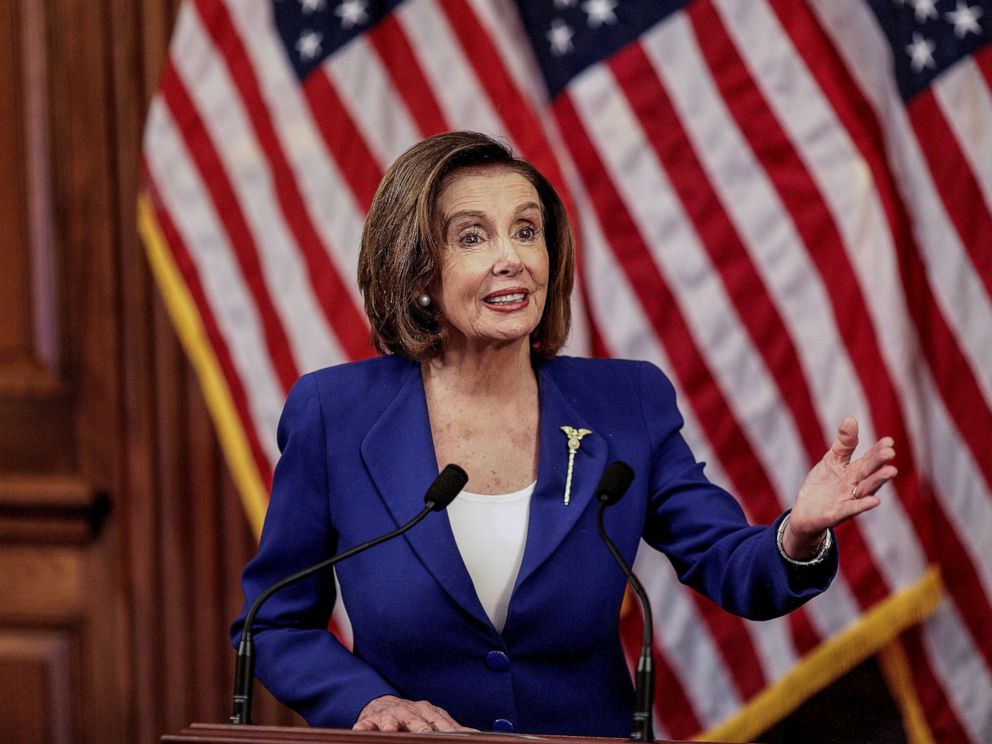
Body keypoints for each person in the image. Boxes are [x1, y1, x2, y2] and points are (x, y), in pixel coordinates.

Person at [232, 131, 897, 736]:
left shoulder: (624, 403)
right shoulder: (335, 414)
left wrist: (798, 535)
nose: (511, 258)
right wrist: (367, 704)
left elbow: (729, 564)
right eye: (472, 238)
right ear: (418, 273)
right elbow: (274, 622)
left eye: (527, 231)